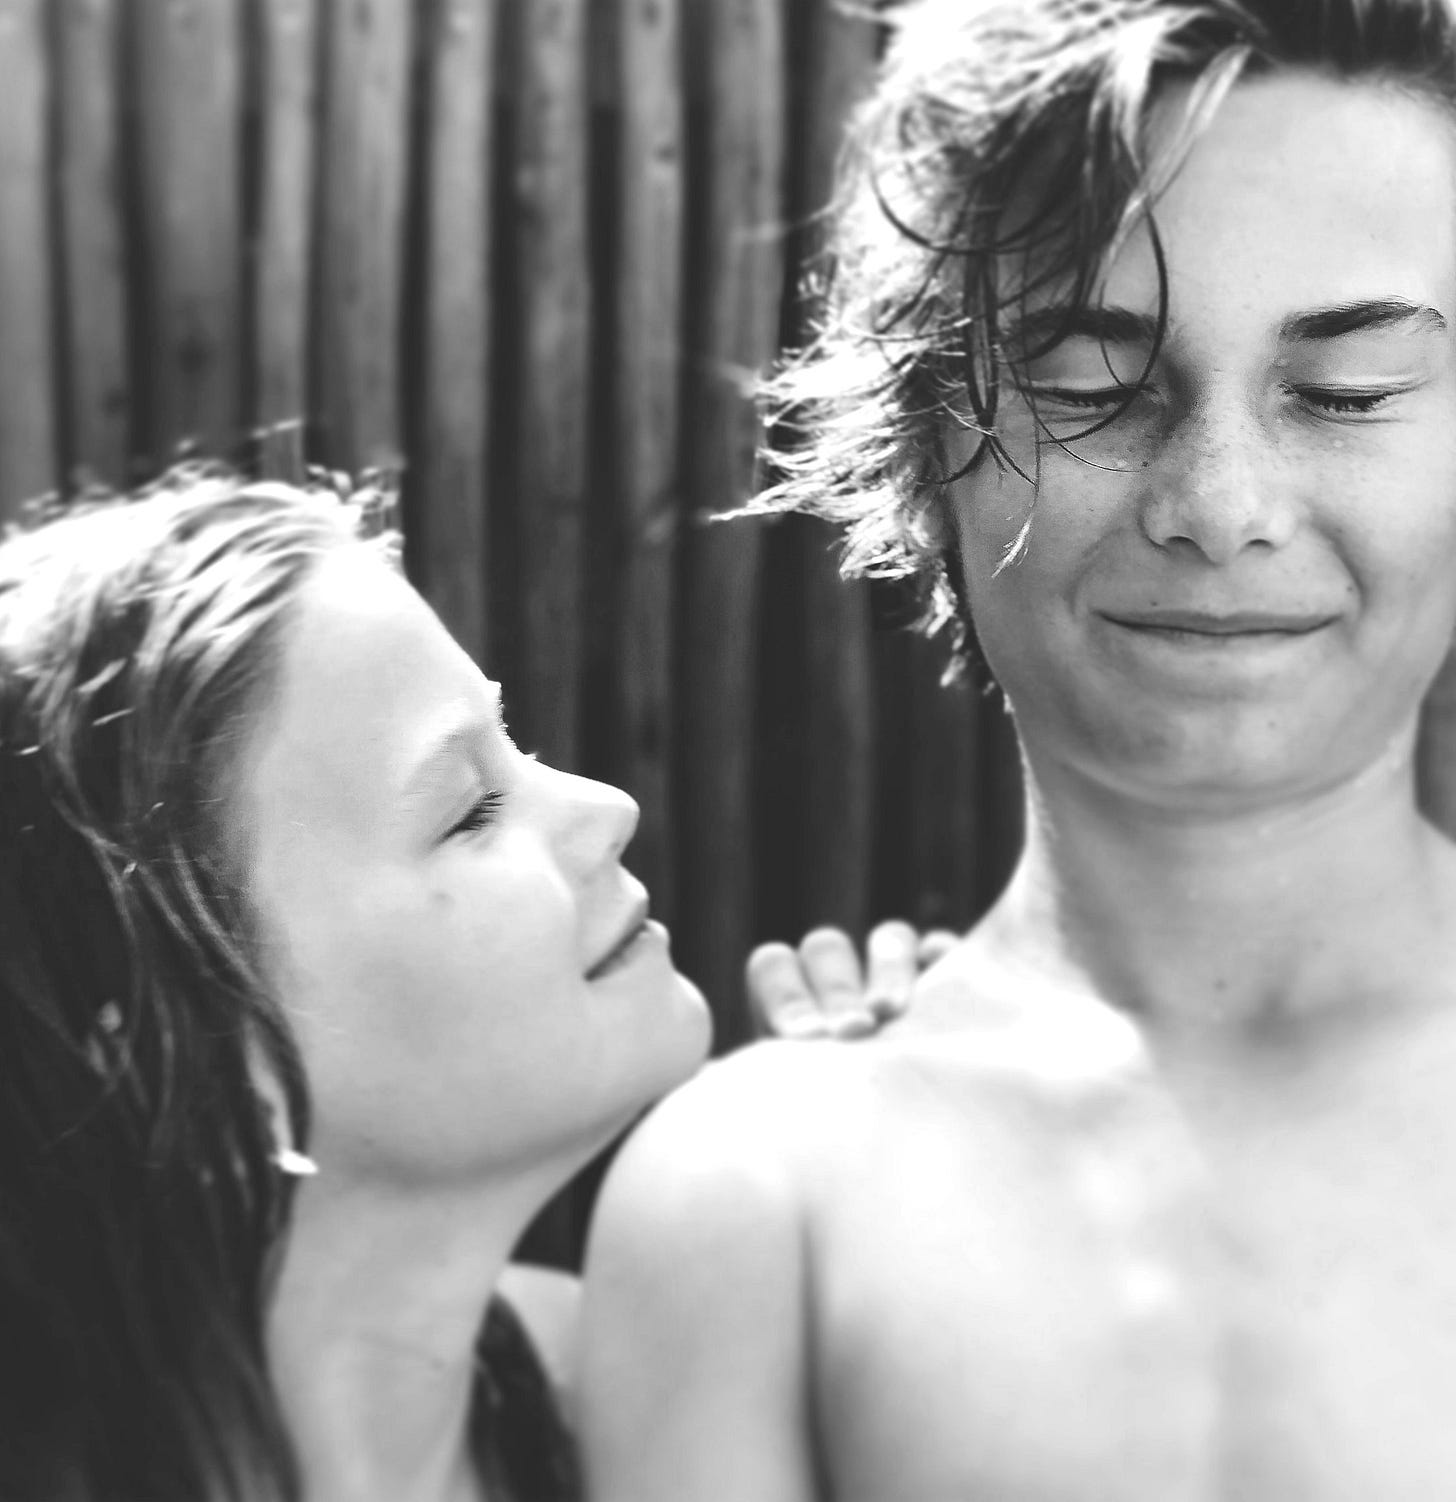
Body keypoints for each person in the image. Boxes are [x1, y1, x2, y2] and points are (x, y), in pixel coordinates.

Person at [576, 2, 1456, 1498]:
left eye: (1346, 391)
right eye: (1090, 387)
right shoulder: (765, 1196)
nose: (1218, 504)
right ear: (927, 435)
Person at [0, 469, 723, 1502]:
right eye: (470, 810)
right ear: (187, 1059)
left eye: (514, 743)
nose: (607, 808)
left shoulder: (642, 1396)